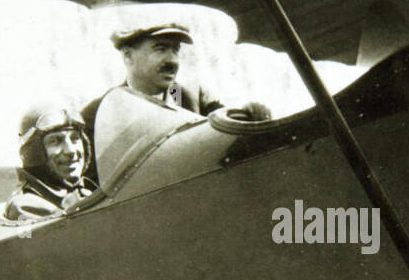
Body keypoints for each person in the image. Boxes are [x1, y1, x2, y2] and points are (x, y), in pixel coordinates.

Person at [82, 22, 271, 185]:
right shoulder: (98, 113)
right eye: (161, 48)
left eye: (175, 50)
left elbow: (229, 132)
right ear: (128, 56)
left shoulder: (189, 96)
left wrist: (251, 117)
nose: (172, 60)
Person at [3, 102, 98, 220]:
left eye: (75, 139)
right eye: (55, 141)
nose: (71, 151)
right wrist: (71, 213)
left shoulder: (88, 192)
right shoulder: (25, 205)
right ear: (34, 153)